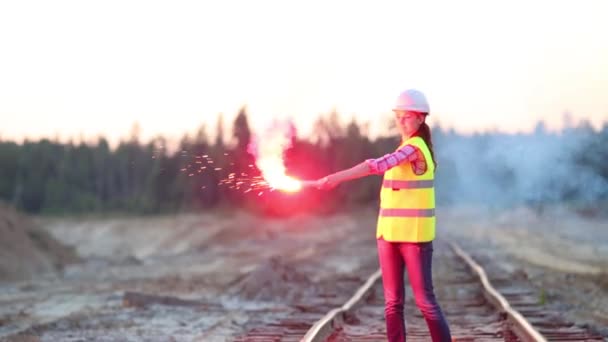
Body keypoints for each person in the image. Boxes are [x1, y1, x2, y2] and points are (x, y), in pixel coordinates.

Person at [313, 89, 452, 342]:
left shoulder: (415, 148)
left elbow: (377, 165)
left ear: (421, 119)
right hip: (388, 235)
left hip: (414, 237)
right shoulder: (406, 146)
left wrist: (335, 178)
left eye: (407, 116)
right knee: (392, 303)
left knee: (425, 302)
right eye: (398, 116)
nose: (401, 121)